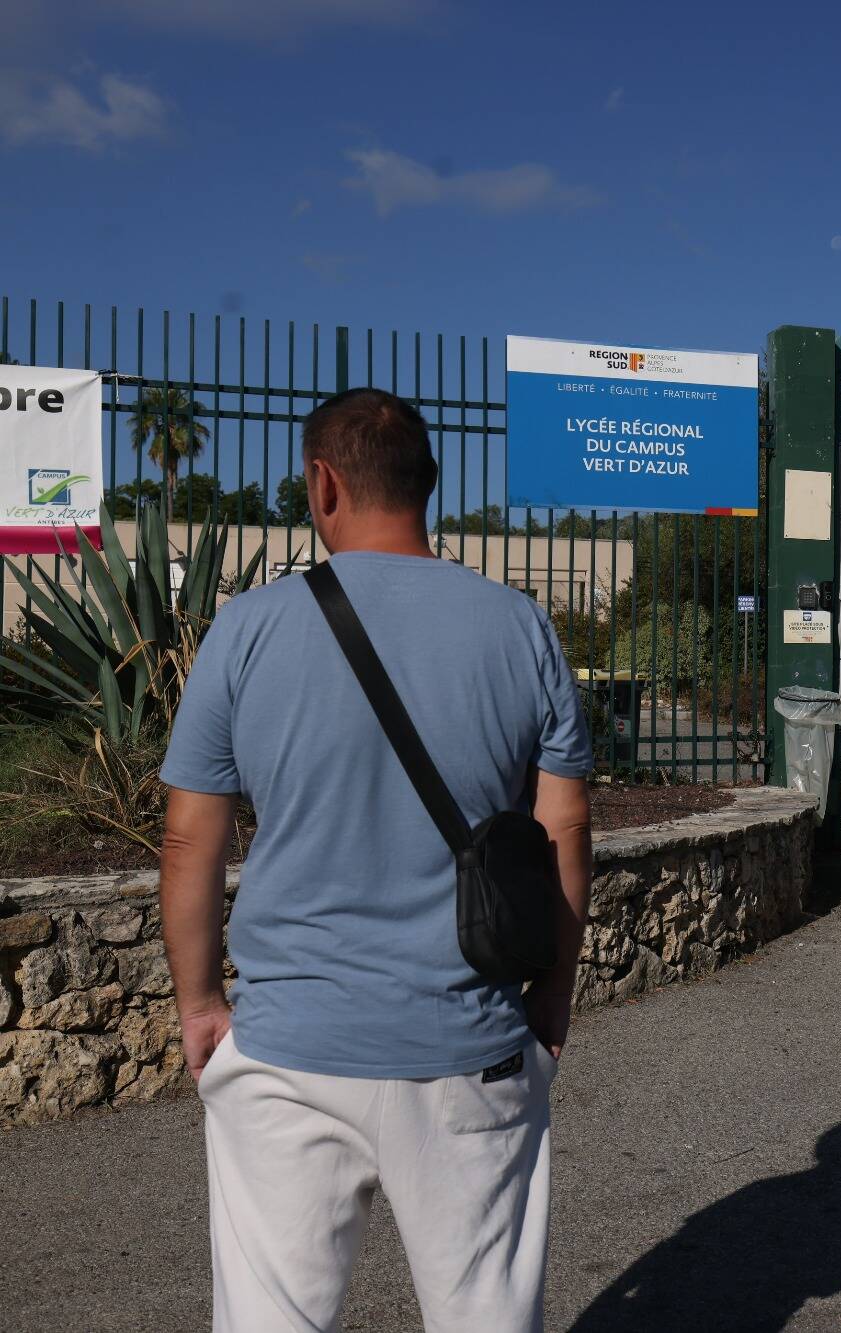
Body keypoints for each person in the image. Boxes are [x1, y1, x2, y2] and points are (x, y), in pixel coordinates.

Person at [159, 387, 594, 1332]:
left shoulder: (246, 628)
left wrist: (199, 1003)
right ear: (427, 485)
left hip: (286, 1050)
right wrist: (554, 990)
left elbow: (192, 837)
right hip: (470, 1045)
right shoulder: (522, 628)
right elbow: (564, 828)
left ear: (323, 484)